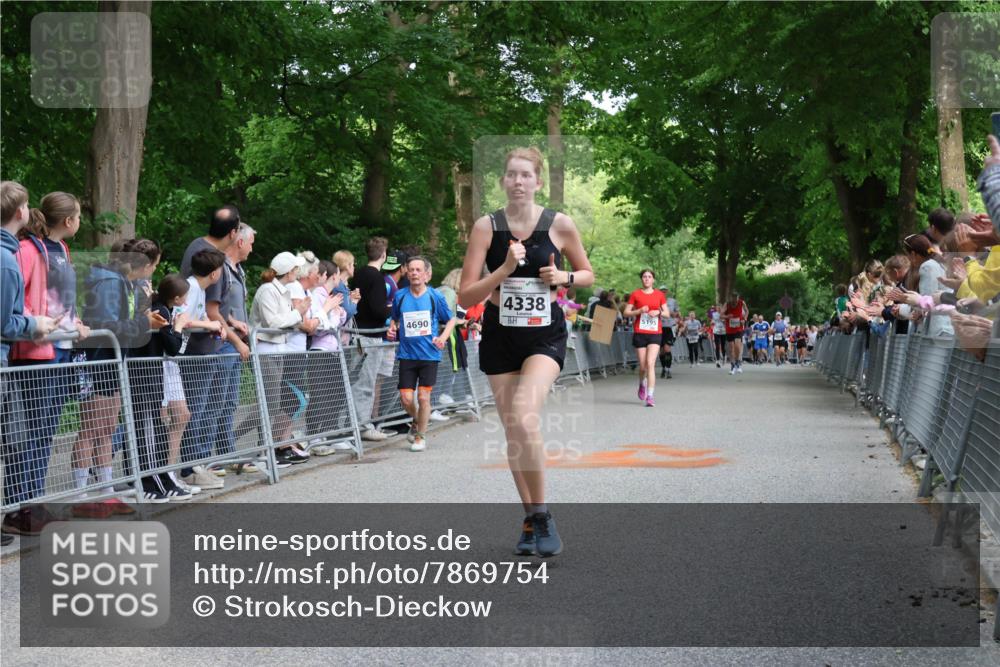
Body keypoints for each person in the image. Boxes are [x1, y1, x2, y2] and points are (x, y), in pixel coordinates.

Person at [459, 146, 594, 558]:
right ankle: (531, 519)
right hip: (500, 334)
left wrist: (565, 275)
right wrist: (501, 270)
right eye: (511, 175)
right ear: (503, 180)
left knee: (523, 415)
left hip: (543, 335)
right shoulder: (486, 227)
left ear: (537, 181)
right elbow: (466, 295)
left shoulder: (559, 224)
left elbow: (587, 275)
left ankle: (544, 514)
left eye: (526, 175)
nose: (518, 182)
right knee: (513, 433)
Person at [9, 192, 91, 520]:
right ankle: (21, 506)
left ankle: (34, 502)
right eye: (80, 217)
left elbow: (61, 300)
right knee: (31, 430)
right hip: (36, 351)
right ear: (69, 220)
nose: (81, 222)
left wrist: (75, 322)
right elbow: (19, 301)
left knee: (46, 428)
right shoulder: (28, 250)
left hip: (62, 348)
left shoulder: (63, 250)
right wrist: (39, 325)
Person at [75, 239, 166, 518]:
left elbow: (122, 323)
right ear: (145, 265)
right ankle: (80, 495)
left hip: (114, 362)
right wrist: (144, 323)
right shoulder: (109, 282)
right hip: (97, 361)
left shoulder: (125, 283)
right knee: (91, 428)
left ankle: (105, 491)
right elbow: (104, 326)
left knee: (108, 428)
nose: (152, 273)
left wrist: (143, 319)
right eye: (153, 266)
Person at [1, 181, 58, 538]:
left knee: (18, 440)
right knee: (18, 441)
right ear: (20, 212)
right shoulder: (7, 262)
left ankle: (16, 514)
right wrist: (34, 323)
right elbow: (5, 321)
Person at [249, 252, 316, 465]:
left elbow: (282, 322)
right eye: (296, 269)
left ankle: (268, 449)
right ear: (289, 272)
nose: (298, 272)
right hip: (266, 349)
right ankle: (262, 451)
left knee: (273, 402)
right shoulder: (268, 290)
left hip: (277, 349)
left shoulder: (281, 290)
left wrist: (297, 313)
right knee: (269, 403)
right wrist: (299, 312)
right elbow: (272, 322)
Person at [387, 256, 457, 451]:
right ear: (407, 273)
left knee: (424, 398)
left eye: (418, 270)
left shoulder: (435, 296)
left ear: (427, 275)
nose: (414, 273)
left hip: (429, 355)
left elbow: (451, 320)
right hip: (407, 355)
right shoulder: (400, 296)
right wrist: (392, 329)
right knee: (406, 399)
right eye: (411, 270)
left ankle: (420, 436)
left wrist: (442, 337)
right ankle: (418, 420)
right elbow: (394, 320)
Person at [177, 248, 229, 489]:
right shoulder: (192, 288)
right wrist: (209, 324)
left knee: (194, 411)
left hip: (189, 356)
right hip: (185, 358)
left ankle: (193, 464)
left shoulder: (197, 288)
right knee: (192, 412)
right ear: (215, 273)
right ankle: (188, 468)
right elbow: (184, 320)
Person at [349, 237, 394, 442]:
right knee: (366, 382)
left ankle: (352, 423)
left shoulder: (357, 275)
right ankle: (363, 425)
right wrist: (393, 310)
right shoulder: (376, 278)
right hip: (371, 337)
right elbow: (377, 309)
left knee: (354, 380)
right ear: (383, 255)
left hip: (356, 334)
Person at [624, 269, 668, 407]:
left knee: (650, 364)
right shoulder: (635, 294)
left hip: (655, 333)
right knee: (642, 366)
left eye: (649, 277)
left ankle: (650, 396)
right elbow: (626, 312)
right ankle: (641, 384)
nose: (647, 279)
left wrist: (659, 311)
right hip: (640, 332)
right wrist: (639, 311)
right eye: (644, 276)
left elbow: (667, 313)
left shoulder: (660, 295)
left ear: (653, 280)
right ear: (642, 279)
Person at [722, 292, 748, 375]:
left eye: (736, 297)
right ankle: (733, 365)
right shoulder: (727, 304)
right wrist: (727, 316)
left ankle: (738, 363)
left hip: (738, 328)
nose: (735, 299)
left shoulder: (741, 302)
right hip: (729, 329)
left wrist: (745, 319)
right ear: (731, 298)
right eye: (733, 297)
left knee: (737, 345)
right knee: (731, 348)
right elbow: (721, 315)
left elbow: (747, 311)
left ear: (738, 297)